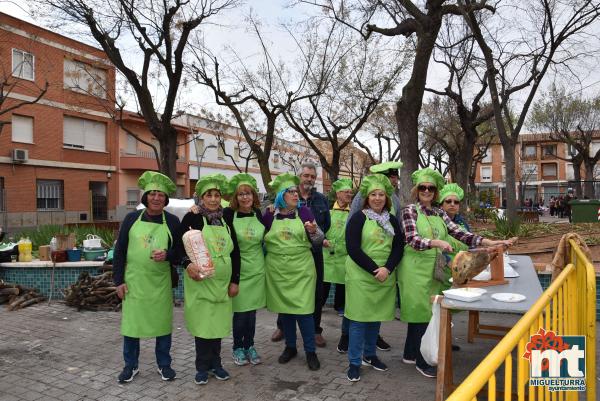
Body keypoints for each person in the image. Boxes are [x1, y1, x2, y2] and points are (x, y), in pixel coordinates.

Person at [398, 168, 512, 378]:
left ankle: (410, 354)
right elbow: (411, 238)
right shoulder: (409, 210)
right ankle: (423, 362)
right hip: (414, 268)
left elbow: (461, 233)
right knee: (421, 313)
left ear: (435, 192)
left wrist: (490, 242)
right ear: (417, 190)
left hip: (434, 269)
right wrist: (435, 242)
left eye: (431, 188)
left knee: (425, 311)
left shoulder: (439, 213)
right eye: (423, 187)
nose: (427, 191)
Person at [173, 174, 241, 385]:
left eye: (216, 195)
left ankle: (217, 365)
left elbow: (235, 252)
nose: (213, 199)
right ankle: (202, 367)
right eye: (208, 195)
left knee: (218, 326)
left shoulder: (226, 219)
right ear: (201, 198)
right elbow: (176, 248)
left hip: (221, 285)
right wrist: (187, 264)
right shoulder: (192, 218)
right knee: (203, 326)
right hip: (200, 283)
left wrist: (235, 280)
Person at [113, 171, 180, 383]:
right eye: (152, 194)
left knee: (162, 325)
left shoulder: (172, 221)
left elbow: (180, 252)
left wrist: (167, 255)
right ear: (146, 197)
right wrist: (118, 281)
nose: (156, 198)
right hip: (134, 282)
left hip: (160, 283)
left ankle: (164, 364)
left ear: (166, 199)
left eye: (161, 194)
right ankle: (130, 366)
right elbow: (120, 251)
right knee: (132, 326)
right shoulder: (132, 218)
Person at [344, 174, 404, 382]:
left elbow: (398, 246)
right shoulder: (358, 218)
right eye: (373, 195)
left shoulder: (392, 220)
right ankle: (354, 362)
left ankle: (370, 355)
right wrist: (374, 269)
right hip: (362, 275)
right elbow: (352, 248)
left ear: (386, 198)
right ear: (366, 198)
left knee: (375, 317)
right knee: (359, 320)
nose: (377, 198)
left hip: (384, 275)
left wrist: (387, 268)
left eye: (381, 194)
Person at [263, 173, 324, 371]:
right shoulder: (269, 215)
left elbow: (317, 241)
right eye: (291, 192)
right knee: (286, 311)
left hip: (302, 269)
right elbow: (257, 240)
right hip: (278, 270)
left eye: (296, 192)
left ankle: (310, 351)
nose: (296, 195)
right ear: (281, 195)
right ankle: (290, 347)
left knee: (305, 311)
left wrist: (315, 231)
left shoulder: (305, 213)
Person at [271, 163, 330, 348]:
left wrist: (315, 234)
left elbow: (325, 226)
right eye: (306, 175)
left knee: (316, 293)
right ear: (299, 178)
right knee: (286, 290)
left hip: (314, 253)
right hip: (285, 259)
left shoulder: (320, 200)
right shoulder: (280, 203)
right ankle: (283, 327)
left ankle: (315, 330)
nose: (309, 179)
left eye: (313, 176)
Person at [226, 174, 266, 366]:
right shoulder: (228, 214)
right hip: (239, 270)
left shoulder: (259, 213)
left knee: (251, 314)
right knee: (240, 313)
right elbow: (207, 217)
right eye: (241, 194)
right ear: (236, 197)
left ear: (253, 196)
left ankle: (250, 345)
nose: (244, 197)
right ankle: (237, 347)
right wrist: (196, 208)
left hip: (257, 270)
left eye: (248, 193)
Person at [321, 178, 353, 353]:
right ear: (338, 194)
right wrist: (323, 240)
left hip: (344, 258)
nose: (349, 194)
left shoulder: (353, 212)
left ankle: (344, 333)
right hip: (327, 258)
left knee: (343, 295)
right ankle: (315, 330)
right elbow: (320, 228)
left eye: (350, 192)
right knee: (322, 293)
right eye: (346, 192)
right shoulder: (327, 210)